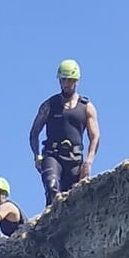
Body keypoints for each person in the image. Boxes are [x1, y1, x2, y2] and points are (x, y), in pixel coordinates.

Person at [28, 59, 99, 207]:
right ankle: (49, 223)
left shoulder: (86, 107)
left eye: (70, 80)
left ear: (76, 81)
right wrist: (37, 156)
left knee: (73, 198)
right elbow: (34, 133)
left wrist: (88, 161)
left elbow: (95, 136)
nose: (66, 84)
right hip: (52, 154)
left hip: (74, 158)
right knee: (52, 186)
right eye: (63, 80)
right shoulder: (49, 105)